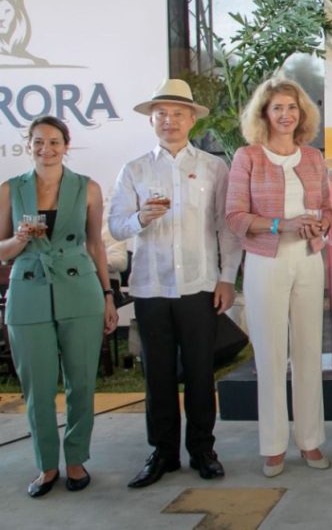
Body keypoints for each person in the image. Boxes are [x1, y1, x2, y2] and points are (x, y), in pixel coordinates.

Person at [108, 79, 243, 488]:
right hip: (151, 287)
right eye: (162, 114)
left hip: (200, 285)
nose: (170, 121)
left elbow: (226, 229)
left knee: (202, 373)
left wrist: (226, 279)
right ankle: (163, 452)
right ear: (152, 120)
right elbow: (115, 224)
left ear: (191, 120)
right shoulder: (134, 170)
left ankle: (203, 449)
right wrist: (139, 220)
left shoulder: (212, 167)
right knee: (158, 376)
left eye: (178, 113)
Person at [0, 116, 117, 497]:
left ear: (66, 145)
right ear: (27, 145)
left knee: (81, 382)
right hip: (28, 292)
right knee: (38, 387)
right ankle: (47, 466)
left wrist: (108, 295)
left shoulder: (88, 188)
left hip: (80, 288)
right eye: (38, 142)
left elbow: (96, 245)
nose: (45, 149)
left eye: (53, 142)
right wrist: (19, 240)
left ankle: (76, 460)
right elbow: (0, 252)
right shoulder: (10, 189)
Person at [225, 76, 332, 477]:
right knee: (270, 356)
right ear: (264, 114)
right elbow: (235, 217)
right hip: (265, 262)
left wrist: (318, 226)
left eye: (292, 108)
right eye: (278, 108)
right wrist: (279, 226)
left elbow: (325, 210)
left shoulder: (313, 158)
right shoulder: (247, 157)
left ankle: (311, 440)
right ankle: (272, 446)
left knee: (308, 352)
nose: (286, 115)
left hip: (307, 260)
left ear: (301, 113)